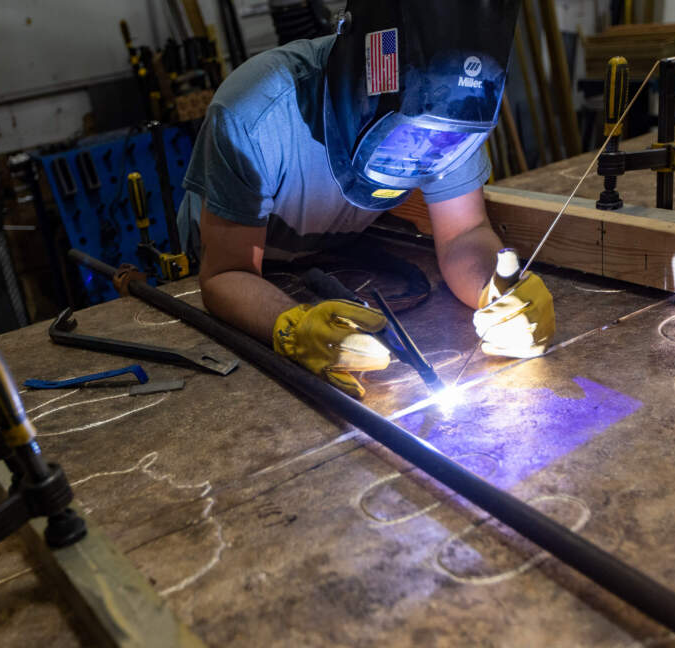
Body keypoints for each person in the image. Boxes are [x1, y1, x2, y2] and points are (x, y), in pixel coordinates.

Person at [177, 0, 554, 399]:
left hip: (332, 249)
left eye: (439, 142)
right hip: (233, 257)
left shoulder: (454, 120)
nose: (421, 155)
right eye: (407, 137)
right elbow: (224, 275)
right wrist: (293, 325)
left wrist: (498, 294)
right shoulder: (254, 114)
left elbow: (464, 232)